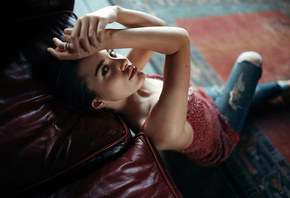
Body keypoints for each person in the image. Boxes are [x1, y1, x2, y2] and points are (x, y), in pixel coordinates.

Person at [33, 6, 290, 166]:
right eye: (104, 68)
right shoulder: (156, 126)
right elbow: (179, 40)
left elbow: (156, 28)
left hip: (199, 99)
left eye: (111, 52)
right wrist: (106, 37)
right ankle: (281, 88)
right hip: (219, 135)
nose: (120, 61)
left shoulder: (126, 79)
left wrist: (113, 13)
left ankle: (279, 89)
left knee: (223, 94)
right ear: (98, 101)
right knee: (250, 60)